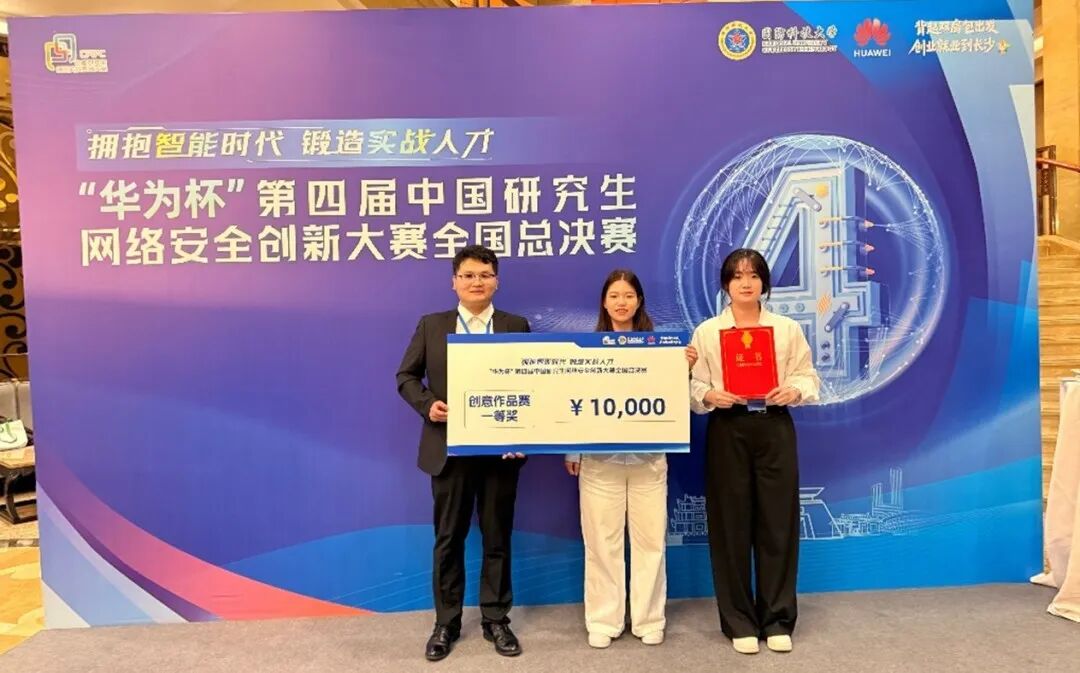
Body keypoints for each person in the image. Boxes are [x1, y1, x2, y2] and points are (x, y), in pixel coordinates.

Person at [396, 245, 531, 661]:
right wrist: (428, 405)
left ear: (497, 281)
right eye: (468, 275)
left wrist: (522, 436)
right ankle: (446, 622)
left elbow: (533, 385)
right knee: (448, 540)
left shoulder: (515, 326)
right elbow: (406, 376)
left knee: (497, 538)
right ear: (454, 281)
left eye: (485, 275)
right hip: (448, 449)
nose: (477, 282)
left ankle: (496, 619)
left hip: (499, 453)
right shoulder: (432, 325)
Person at [689, 249, 820, 655]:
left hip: (774, 426)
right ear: (725, 284)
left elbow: (807, 375)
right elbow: (694, 385)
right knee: (730, 525)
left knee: (778, 523)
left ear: (764, 282)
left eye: (753, 275)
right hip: (728, 428)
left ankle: (777, 618)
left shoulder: (786, 329)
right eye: (737, 276)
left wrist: (794, 390)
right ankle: (739, 621)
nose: (745, 283)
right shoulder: (708, 331)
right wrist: (709, 394)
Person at [564, 269, 698, 649]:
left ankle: (648, 619)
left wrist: (684, 369)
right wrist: (573, 449)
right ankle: (604, 619)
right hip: (599, 462)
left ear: (639, 301)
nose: (621, 302)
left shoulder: (663, 348)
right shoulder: (584, 349)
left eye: (628, 295)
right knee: (601, 544)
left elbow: (677, 401)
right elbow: (569, 401)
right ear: (604, 302)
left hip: (648, 461)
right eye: (614, 296)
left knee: (650, 543)